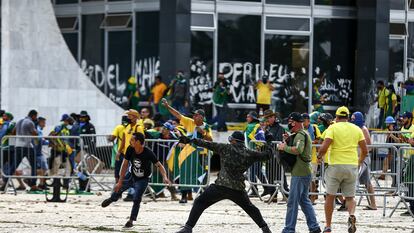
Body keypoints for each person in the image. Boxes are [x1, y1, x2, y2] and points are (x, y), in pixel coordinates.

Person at [175, 131, 273, 233]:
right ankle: (265, 228)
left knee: (200, 202)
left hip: (220, 187)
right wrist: (269, 142)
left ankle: (188, 228)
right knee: (251, 208)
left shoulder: (226, 148)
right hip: (237, 189)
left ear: (234, 140)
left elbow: (207, 144)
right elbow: (267, 155)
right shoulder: (250, 153)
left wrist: (190, 140)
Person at [101, 132, 171, 228]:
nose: (130, 141)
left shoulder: (148, 152)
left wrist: (165, 177)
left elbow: (159, 166)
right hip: (131, 175)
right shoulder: (130, 149)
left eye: (132, 140)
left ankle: (131, 220)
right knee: (118, 190)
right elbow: (125, 164)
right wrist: (120, 181)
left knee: (136, 198)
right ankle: (112, 199)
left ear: (138, 142)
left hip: (143, 179)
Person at [317, 106, 368, 233]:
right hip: (351, 165)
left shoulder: (333, 127)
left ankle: (328, 226)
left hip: (335, 166)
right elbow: (365, 150)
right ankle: (351, 215)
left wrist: (319, 156)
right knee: (350, 197)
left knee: (330, 196)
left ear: (337, 117)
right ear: (348, 117)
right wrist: (359, 162)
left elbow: (325, 146)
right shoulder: (356, 129)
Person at [276, 112, 321, 233]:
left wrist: (283, 147)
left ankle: (289, 229)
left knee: (292, 201)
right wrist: (288, 139)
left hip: (300, 172)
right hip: (303, 171)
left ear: (295, 122)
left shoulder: (301, 135)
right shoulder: (300, 134)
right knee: (304, 200)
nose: (289, 124)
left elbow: (298, 150)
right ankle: (314, 227)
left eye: (290, 122)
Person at [162, 98, 212, 203]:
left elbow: (210, 140)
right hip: (188, 154)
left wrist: (203, 132)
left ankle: (202, 197)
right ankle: (184, 196)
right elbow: (178, 115)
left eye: (196, 115)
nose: (193, 116)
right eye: (193, 115)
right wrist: (167, 107)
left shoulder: (207, 127)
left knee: (201, 175)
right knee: (185, 174)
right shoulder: (190, 122)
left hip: (201, 155)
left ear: (201, 117)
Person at [350, 112, 377, 210]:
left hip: (363, 158)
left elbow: (369, 146)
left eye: (353, 119)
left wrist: (361, 155)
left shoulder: (363, 129)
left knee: (353, 178)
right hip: (358, 158)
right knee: (367, 183)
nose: (352, 120)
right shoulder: (355, 129)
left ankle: (348, 203)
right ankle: (373, 204)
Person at [117, 109, 145, 201]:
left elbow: (142, 141)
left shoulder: (138, 127)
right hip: (127, 154)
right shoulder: (127, 126)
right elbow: (124, 140)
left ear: (135, 117)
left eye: (130, 116)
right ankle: (130, 193)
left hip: (135, 154)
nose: (128, 117)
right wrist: (119, 151)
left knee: (131, 175)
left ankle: (131, 194)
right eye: (128, 115)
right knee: (128, 174)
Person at [8, 110, 39, 191]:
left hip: (18, 146)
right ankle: (33, 185)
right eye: (36, 117)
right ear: (33, 116)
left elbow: (13, 132)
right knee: (34, 165)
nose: (36, 118)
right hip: (28, 146)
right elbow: (35, 133)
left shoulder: (19, 121)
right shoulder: (30, 122)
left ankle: (5, 181)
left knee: (14, 165)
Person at [262, 110, 288, 200]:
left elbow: (278, 140)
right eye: (266, 118)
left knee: (280, 175)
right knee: (269, 175)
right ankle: (273, 195)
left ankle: (286, 194)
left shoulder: (280, 128)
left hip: (278, 155)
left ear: (274, 117)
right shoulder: (267, 128)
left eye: (269, 117)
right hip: (269, 155)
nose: (267, 119)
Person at [109, 113, 129, 183]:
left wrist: (109, 138)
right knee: (128, 169)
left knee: (118, 168)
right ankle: (128, 185)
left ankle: (118, 185)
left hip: (120, 152)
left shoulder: (119, 127)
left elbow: (112, 138)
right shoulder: (130, 127)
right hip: (130, 152)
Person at [35, 117, 49, 190]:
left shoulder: (39, 129)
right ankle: (29, 177)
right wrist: (50, 142)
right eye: (44, 123)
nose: (44, 125)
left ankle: (42, 184)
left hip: (38, 152)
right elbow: (41, 140)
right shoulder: (38, 129)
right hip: (37, 153)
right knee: (43, 168)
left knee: (43, 168)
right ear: (40, 122)